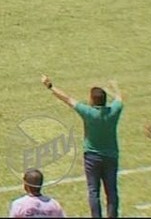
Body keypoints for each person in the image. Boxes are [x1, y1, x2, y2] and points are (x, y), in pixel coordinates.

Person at [42, 75, 124, 218]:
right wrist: (114, 87)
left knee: (93, 191)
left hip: (92, 157)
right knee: (111, 190)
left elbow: (67, 99)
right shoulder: (113, 112)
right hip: (111, 156)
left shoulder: (88, 112)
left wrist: (50, 86)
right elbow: (119, 99)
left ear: (92, 100)